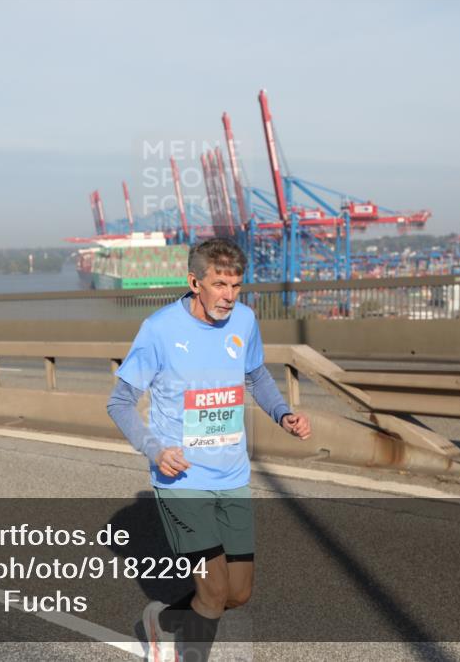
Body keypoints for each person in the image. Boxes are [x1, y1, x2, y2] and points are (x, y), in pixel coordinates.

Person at [107, 238, 311, 661]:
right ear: (193, 282)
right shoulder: (160, 329)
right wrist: (155, 449)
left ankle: (160, 622)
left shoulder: (245, 322)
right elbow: (120, 401)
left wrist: (282, 414)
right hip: (182, 480)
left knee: (238, 593)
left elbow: (255, 376)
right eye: (219, 284)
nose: (229, 296)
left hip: (232, 477)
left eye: (236, 286)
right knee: (214, 591)